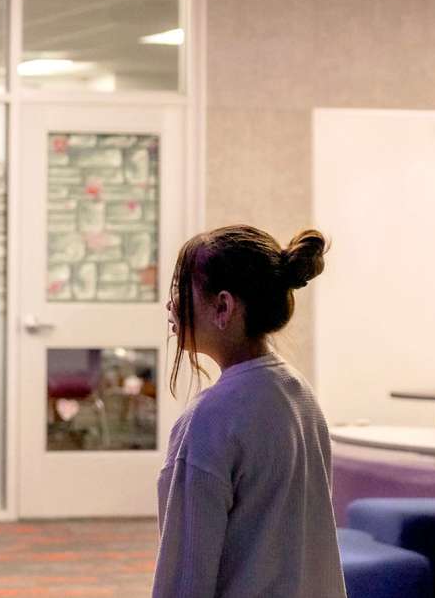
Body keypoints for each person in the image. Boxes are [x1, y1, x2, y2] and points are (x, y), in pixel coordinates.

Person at [153, 225, 346, 598]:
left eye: (180, 288)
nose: (170, 304)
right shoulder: (299, 395)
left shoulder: (209, 421)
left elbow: (185, 580)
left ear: (223, 307)